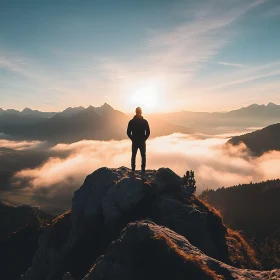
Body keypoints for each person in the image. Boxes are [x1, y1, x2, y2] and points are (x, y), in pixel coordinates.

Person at [127, 107, 150, 172]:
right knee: (143, 155)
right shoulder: (145, 122)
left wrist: (132, 139)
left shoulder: (131, 122)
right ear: (141, 112)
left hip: (135, 141)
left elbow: (128, 132)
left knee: (134, 155)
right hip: (142, 141)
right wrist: (144, 139)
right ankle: (143, 169)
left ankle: (133, 169)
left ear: (135, 112)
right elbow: (148, 132)